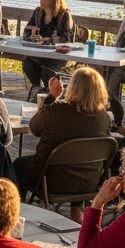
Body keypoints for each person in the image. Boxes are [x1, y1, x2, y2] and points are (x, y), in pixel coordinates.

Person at [13, 67, 114, 220]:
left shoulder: (57, 111)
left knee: (18, 165)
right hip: (88, 181)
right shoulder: (104, 118)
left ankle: (17, 210)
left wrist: (51, 97)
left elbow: (34, 127)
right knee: (81, 158)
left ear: (73, 87)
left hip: (51, 180)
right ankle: (76, 209)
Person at [21, 0, 75, 91]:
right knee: (28, 64)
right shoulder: (38, 12)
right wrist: (32, 35)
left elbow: (66, 39)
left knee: (47, 71)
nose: (40, 1)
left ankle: (50, 92)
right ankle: (37, 89)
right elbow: (26, 31)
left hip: (58, 55)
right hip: (40, 53)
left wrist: (47, 40)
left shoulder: (64, 15)